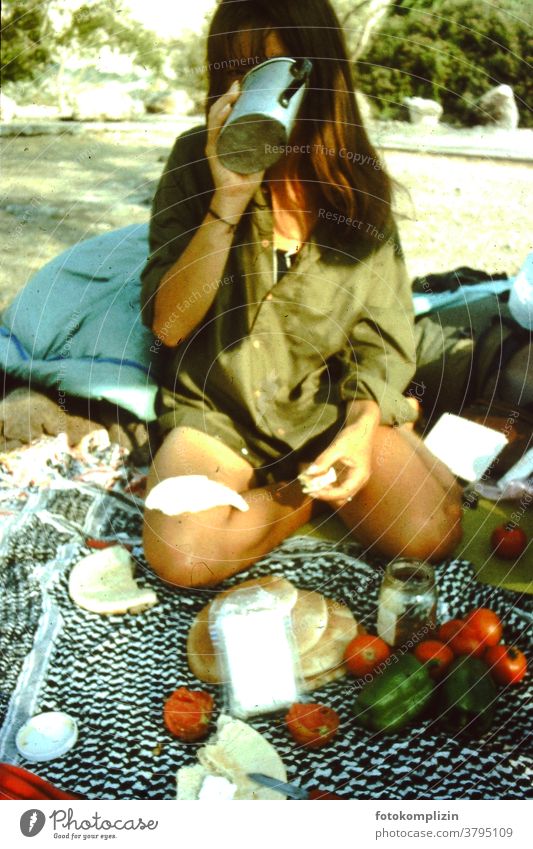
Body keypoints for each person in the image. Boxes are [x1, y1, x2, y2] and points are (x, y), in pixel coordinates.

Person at [140, 0, 463, 588]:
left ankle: (305, 488)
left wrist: (362, 428)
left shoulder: (356, 187)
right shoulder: (195, 159)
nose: (252, 89)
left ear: (319, 74)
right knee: (181, 553)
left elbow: (382, 345)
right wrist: (228, 199)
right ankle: (301, 500)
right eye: (236, 71)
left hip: (324, 410)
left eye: (275, 70)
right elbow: (168, 325)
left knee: (430, 533)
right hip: (219, 414)